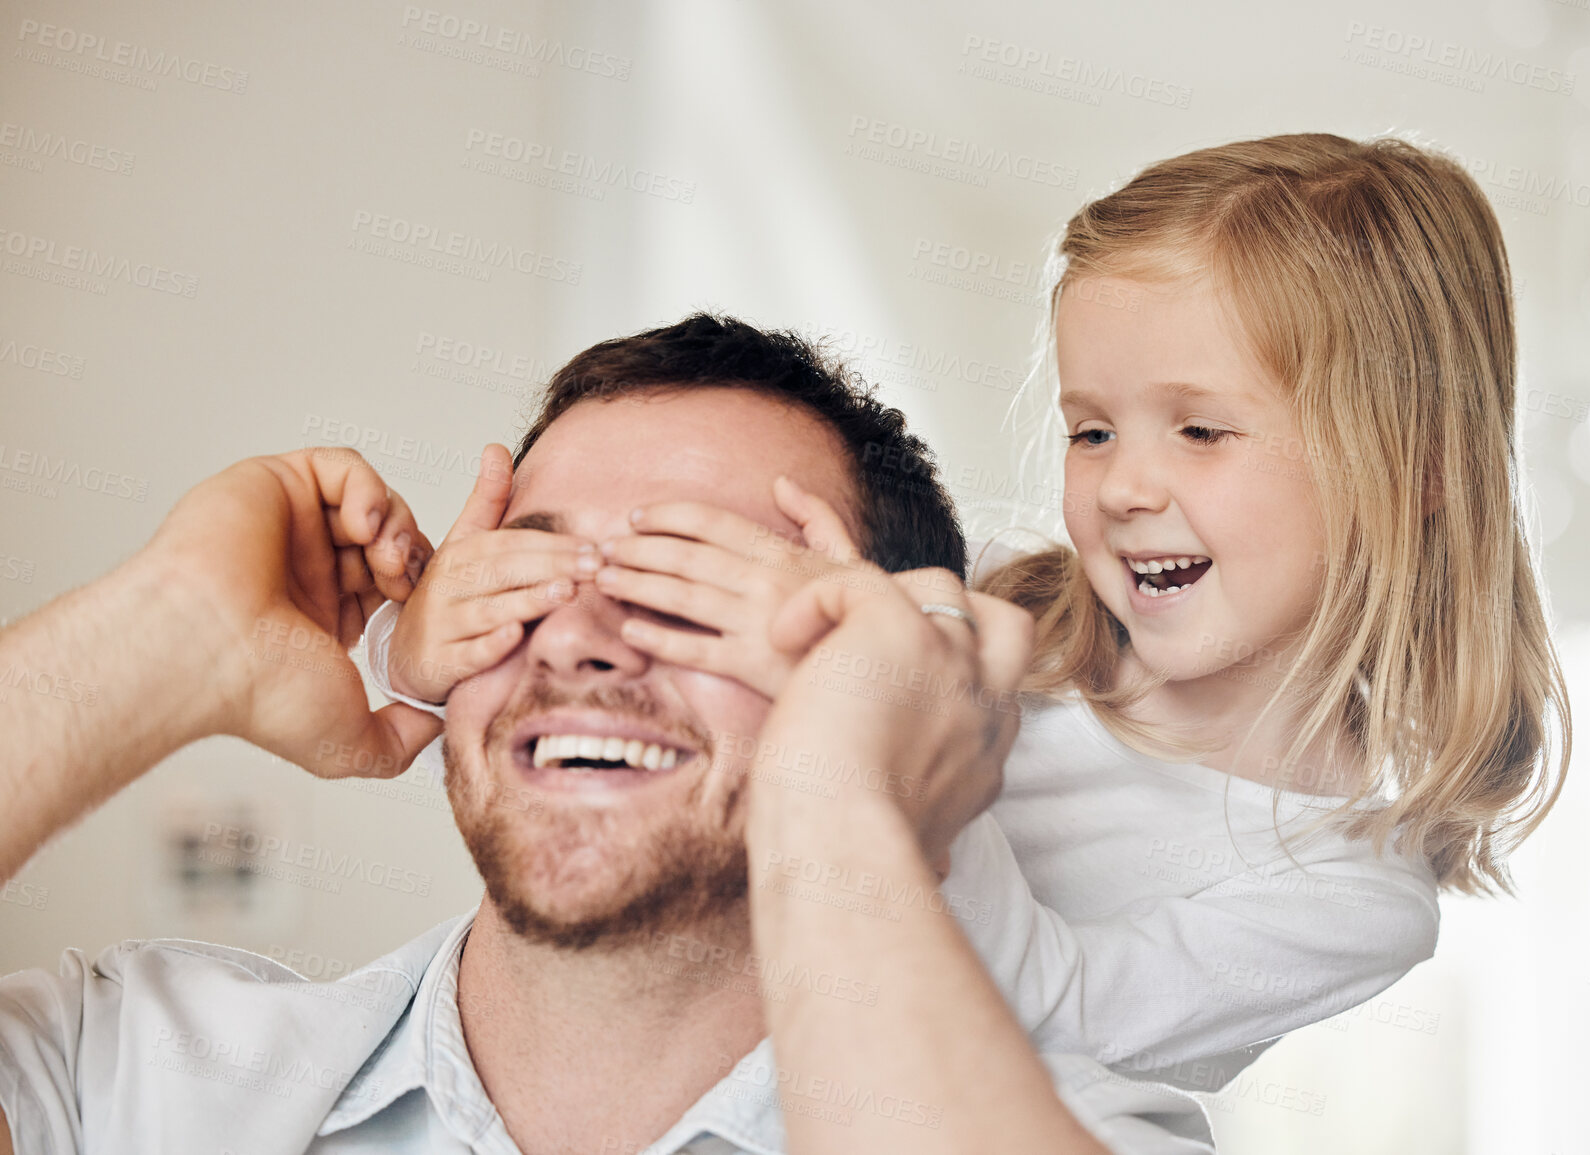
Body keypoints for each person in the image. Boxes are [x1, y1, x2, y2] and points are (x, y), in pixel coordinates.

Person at [372, 135, 1570, 1092]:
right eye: (1091, 429)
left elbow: (1042, 1011)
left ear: (1411, 465)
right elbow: (626, 677)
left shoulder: (1349, 898)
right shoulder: (998, 592)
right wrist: (413, 650)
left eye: (1200, 430)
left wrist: (875, 715)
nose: (1124, 484)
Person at [0, 317, 1214, 1153]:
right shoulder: (130, 1082)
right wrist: (171, 634)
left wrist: (846, 798)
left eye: (695, 585)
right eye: (526, 568)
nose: (577, 636)